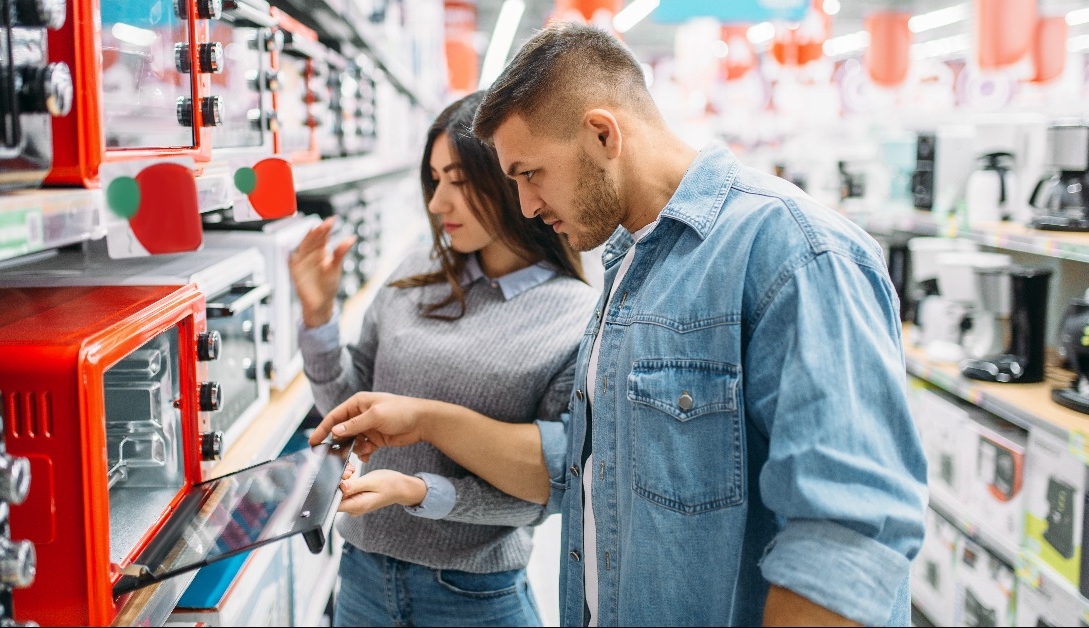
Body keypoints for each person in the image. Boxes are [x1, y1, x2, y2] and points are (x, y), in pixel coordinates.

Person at [310, 22, 928, 627]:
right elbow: (577, 466)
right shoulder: (630, 265)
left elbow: (848, 534)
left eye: (529, 174)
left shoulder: (795, 253)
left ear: (603, 134)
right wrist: (424, 420)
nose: (524, 205)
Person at [289, 90, 598, 627]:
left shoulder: (574, 316)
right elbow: (349, 409)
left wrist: (421, 491)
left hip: (473, 596)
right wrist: (319, 319)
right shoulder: (416, 275)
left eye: (457, 180)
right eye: (435, 181)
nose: (438, 204)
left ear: (508, 174)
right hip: (361, 579)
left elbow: (547, 490)